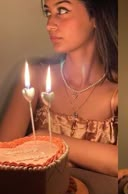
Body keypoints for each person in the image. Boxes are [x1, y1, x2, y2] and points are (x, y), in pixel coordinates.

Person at [0, 0, 118, 177]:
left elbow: (118, 163)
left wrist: (45, 138)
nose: (49, 25)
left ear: (95, 17)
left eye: (62, 10)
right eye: (48, 12)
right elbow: (4, 151)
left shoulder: (115, 92)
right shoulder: (34, 78)